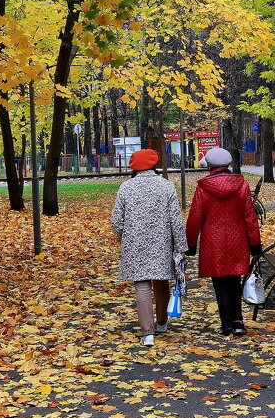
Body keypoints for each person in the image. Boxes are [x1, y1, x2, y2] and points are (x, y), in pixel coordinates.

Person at [111, 149, 188, 347]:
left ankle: (147, 333)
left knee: (141, 284)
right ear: (155, 164)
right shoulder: (166, 187)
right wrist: (181, 247)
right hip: (161, 242)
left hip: (134, 242)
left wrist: (121, 238)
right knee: (161, 280)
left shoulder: (126, 188)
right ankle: (162, 321)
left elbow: (116, 221)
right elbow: (175, 221)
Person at [186, 147, 263, 338]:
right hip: (238, 240)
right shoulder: (242, 186)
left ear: (210, 166)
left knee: (220, 284)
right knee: (235, 282)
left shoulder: (203, 188)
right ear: (228, 164)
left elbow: (195, 218)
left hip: (213, 242)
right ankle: (238, 323)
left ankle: (226, 324)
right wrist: (255, 244)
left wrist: (191, 245)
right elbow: (250, 217)